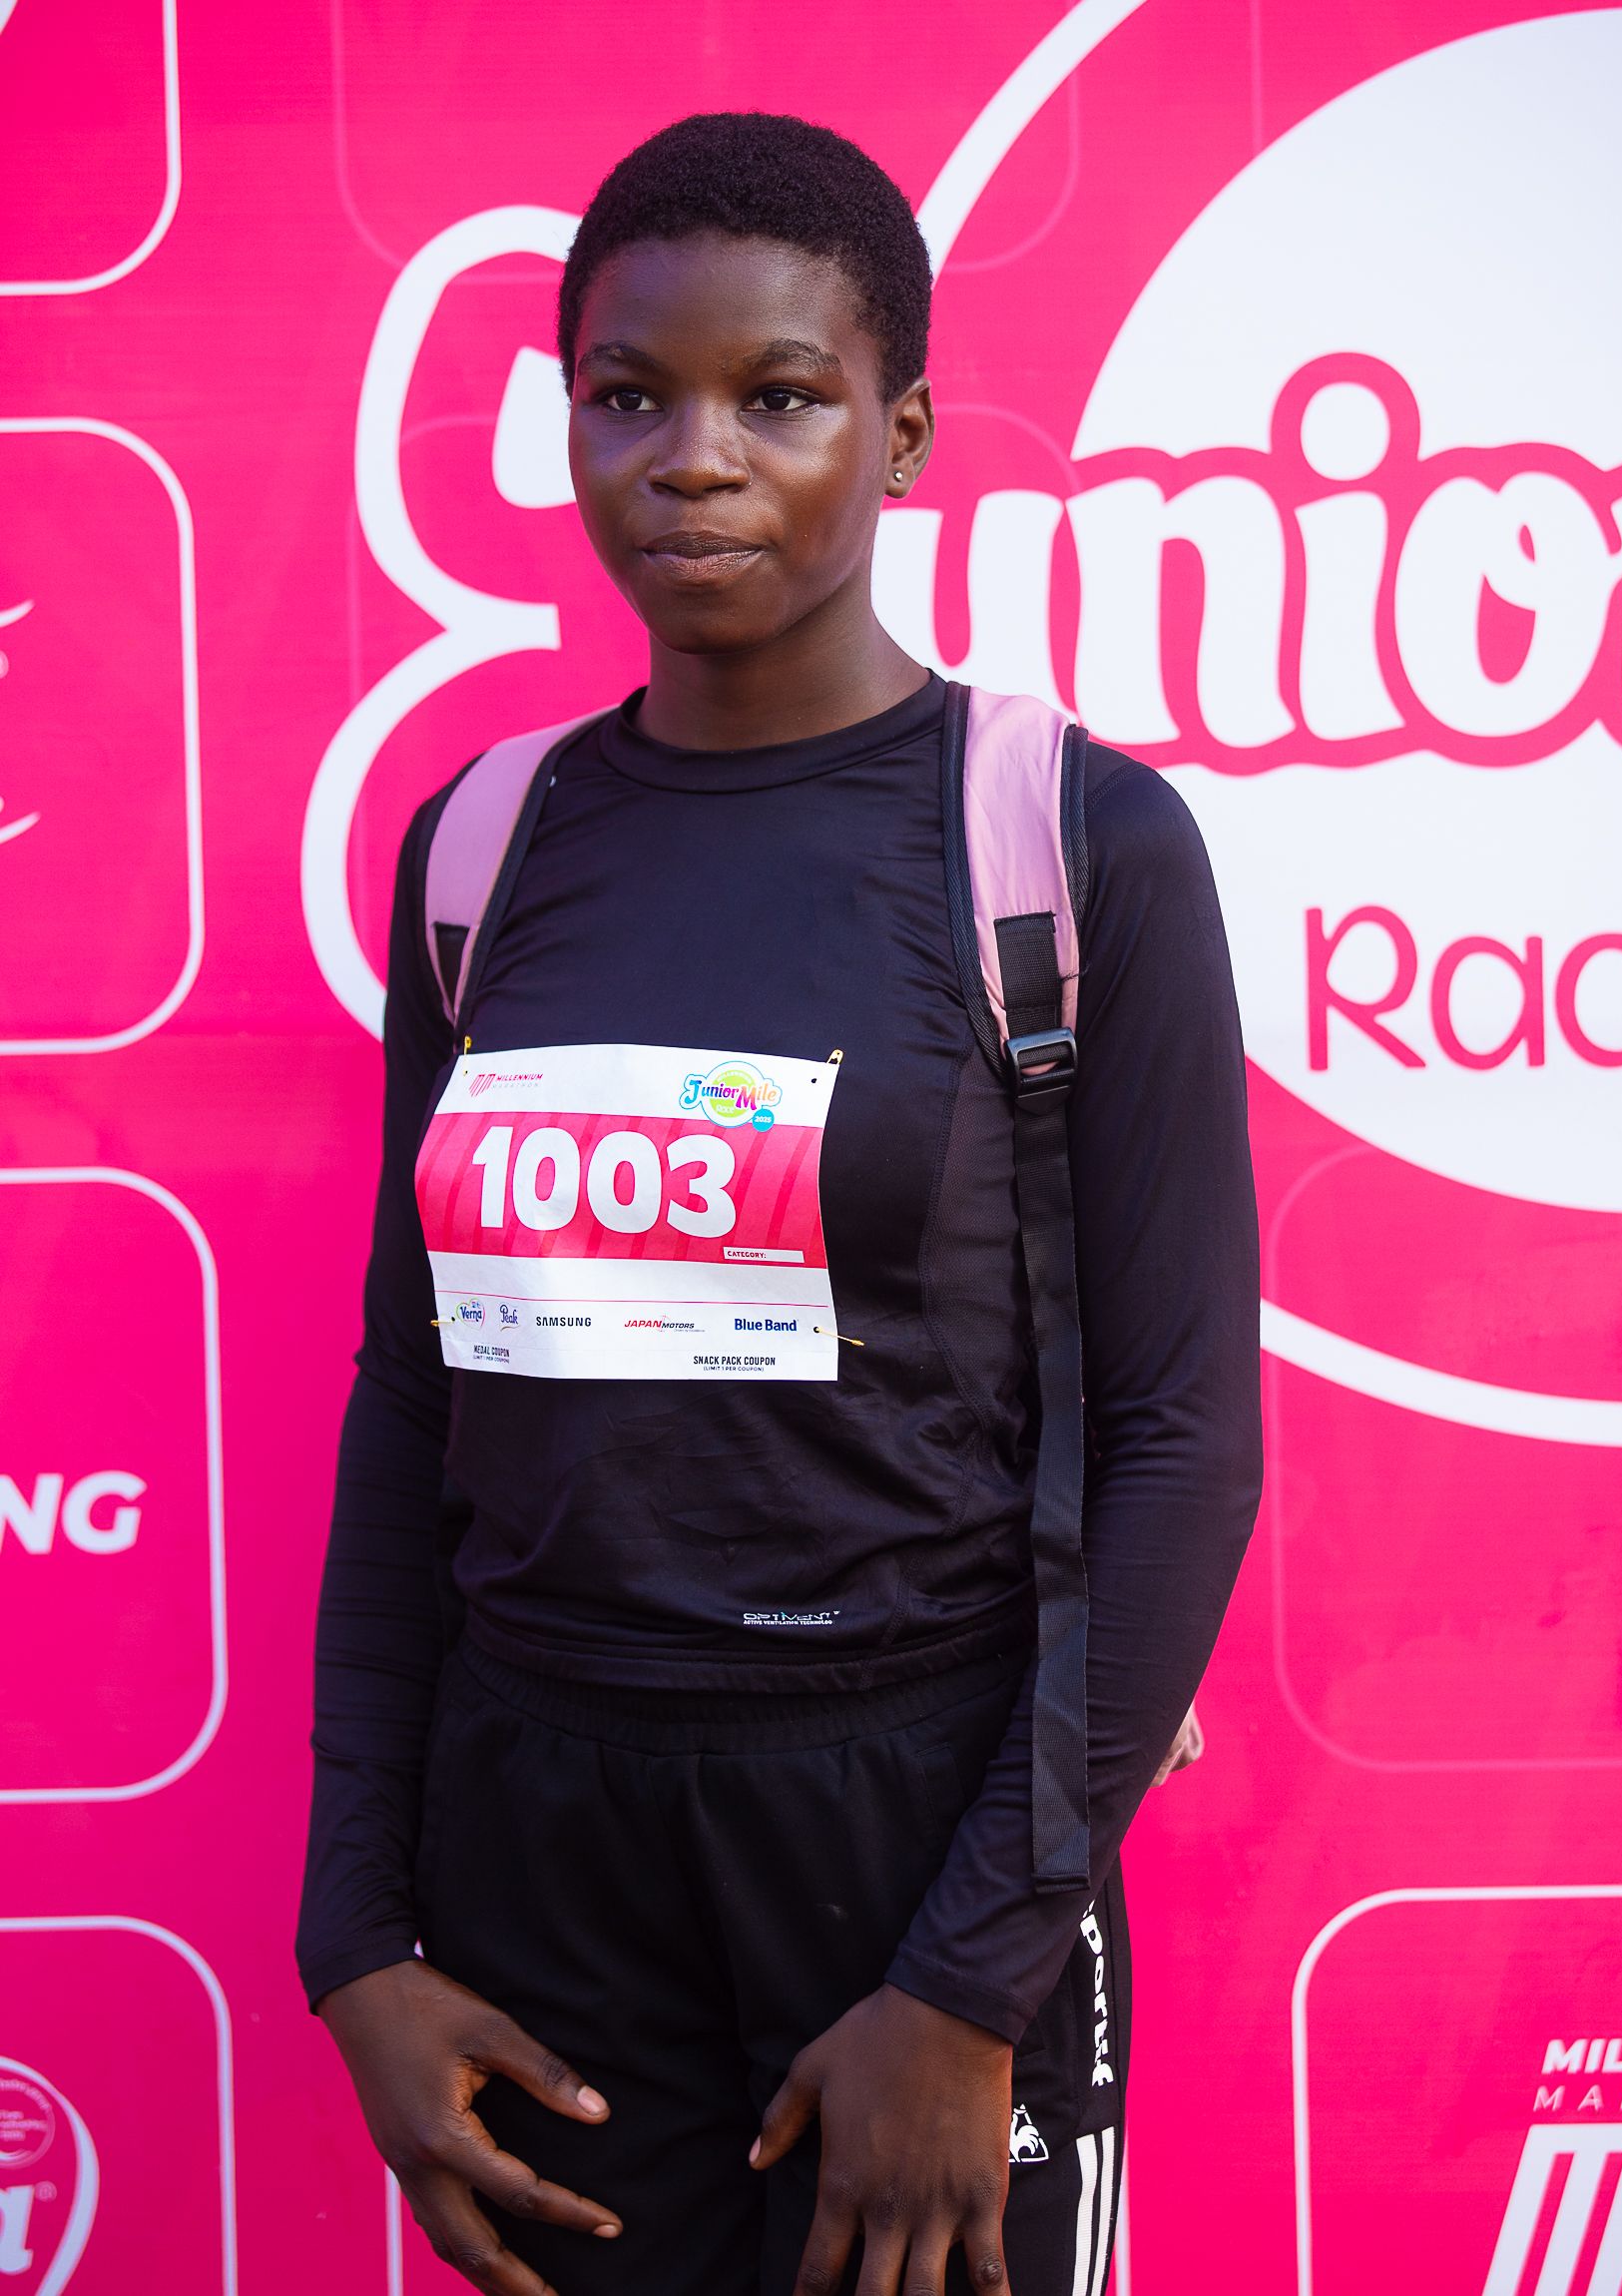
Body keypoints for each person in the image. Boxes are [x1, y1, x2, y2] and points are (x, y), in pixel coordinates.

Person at [297, 110, 1262, 2296]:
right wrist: (355, 1929)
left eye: (781, 398)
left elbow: (1184, 1440)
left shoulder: (1069, 840)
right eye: (627, 397)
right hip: (539, 1853)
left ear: (900, 433)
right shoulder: (482, 847)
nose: (693, 461)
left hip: (921, 1843)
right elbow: (413, 1396)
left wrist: (968, 1979)